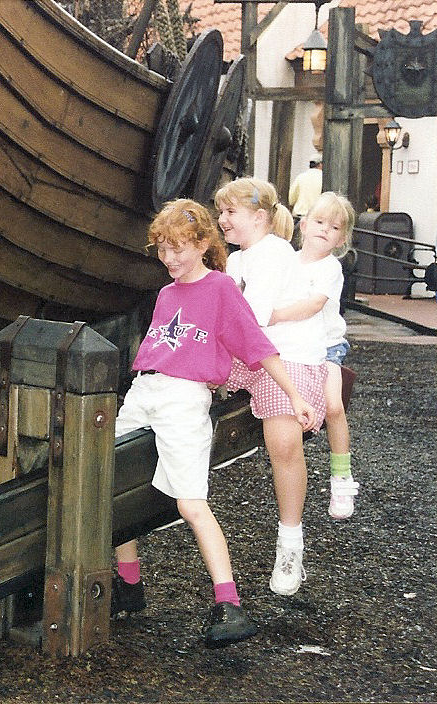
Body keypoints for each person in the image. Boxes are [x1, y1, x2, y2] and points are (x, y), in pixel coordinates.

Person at [109, 199, 316, 648]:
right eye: (162, 249)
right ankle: (129, 585)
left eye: (179, 248)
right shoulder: (165, 294)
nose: (170, 258)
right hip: (144, 390)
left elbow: (258, 347)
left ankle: (229, 603)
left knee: (190, 503)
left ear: (203, 243)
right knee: (110, 479)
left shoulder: (221, 288)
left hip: (185, 398)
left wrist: (295, 395)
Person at [214, 178, 329, 597]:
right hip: (253, 354)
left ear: (259, 217)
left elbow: (254, 316)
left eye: (230, 212)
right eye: (221, 212)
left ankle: (291, 543)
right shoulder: (236, 260)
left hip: (289, 356)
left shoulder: (274, 253)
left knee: (282, 442)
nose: (222, 220)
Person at [270, 192, 359, 519]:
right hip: (293, 347)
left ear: (342, 238)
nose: (324, 230)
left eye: (334, 227)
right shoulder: (286, 262)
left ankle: (341, 475)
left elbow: (313, 305)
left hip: (325, 347)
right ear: (304, 226)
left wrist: (274, 315)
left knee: (334, 406)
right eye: (319, 222)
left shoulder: (330, 268)